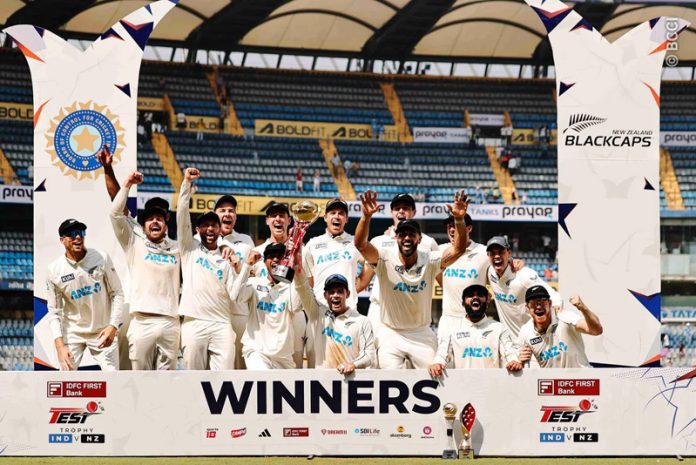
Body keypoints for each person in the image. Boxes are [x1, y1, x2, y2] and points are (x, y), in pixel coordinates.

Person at [354, 189, 469, 369]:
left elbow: (456, 251)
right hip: (386, 320)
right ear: (396, 237)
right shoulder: (382, 253)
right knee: (379, 371)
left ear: (419, 237)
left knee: (439, 373)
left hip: (420, 330)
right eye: (403, 235)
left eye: (406, 208)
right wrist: (365, 217)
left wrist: (460, 220)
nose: (407, 238)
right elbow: (361, 246)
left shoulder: (429, 253)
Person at [110, 171, 180, 370]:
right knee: (139, 381)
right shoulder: (135, 240)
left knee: (167, 384)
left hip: (170, 321)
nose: (155, 221)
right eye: (150, 218)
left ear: (167, 224)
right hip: (140, 319)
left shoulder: (177, 248)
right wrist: (127, 183)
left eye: (161, 217)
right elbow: (116, 212)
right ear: (143, 223)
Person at [177, 168, 241, 370]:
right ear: (197, 230)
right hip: (194, 322)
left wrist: (242, 266)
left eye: (214, 225)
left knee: (223, 380)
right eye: (205, 225)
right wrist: (186, 183)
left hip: (222, 323)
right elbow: (181, 214)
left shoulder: (227, 256)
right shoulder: (189, 248)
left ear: (220, 228)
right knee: (192, 380)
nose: (210, 229)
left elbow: (234, 293)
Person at [362, 193, 440, 352]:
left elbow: (441, 278)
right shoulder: (378, 241)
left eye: (406, 208)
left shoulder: (428, 242)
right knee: (375, 357)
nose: (401, 212)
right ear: (391, 213)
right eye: (397, 208)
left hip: (414, 312)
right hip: (380, 309)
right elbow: (364, 280)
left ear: (414, 212)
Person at [46, 219, 124, 371]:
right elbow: (54, 312)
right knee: (65, 381)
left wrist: (113, 326)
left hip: (102, 330)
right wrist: (60, 346)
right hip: (73, 333)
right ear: (62, 240)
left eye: (81, 233)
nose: (78, 237)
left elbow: (117, 294)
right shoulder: (54, 270)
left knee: (113, 380)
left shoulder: (101, 258)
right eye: (72, 234)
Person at [252, 202, 307, 368]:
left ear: (289, 220)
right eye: (273, 216)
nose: (278, 219)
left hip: (294, 314)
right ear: (267, 221)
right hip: (266, 318)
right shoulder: (257, 252)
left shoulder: (301, 249)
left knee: (294, 367)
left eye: (282, 216)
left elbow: (308, 284)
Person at [232, 243, 303, 369]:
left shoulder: (290, 287)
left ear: (286, 262)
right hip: (256, 352)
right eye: (271, 256)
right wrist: (247, 265)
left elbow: (296, 307)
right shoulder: (255, 283)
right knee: (265, 385)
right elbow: (234, 297)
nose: (275, 259)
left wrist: (296, 268)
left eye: (280, 257)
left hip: (283, 357)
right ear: (265, 262)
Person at [429, 284, 522, 375]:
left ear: (487, 302)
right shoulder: (453, 328)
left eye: (480, 295)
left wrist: (513, 361)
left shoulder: (499, 328)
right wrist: (437, 363)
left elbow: (509, 351)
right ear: (463, 303)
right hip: (462, 385)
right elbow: (443, 352)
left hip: (491, 385)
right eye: (470, 295)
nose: (475, 297)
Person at [295, 273, 375, 373]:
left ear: (348, 294)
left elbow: (369, 355)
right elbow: (303, 288)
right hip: (319, 382)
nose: (335, 295)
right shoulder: (316, 313)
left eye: (340, 291)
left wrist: (353, 364)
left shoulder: (361, 321)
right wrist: (298, 270)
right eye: (331, 292)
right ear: (325, 295)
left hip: (348, 381)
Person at [486, 236, 560, 339]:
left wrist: (557, 308)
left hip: (534, 340)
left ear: (509, 253)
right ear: (488, 256)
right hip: (510, 343)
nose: (497, 256)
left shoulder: (524, 275)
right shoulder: (490, 272)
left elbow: (553, 294)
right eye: (492, 253)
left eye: (501, 252)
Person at [303, 198, 371, 310]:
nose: (337, 216)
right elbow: (309, 282)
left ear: (346, 219)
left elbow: (371, 264)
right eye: (332, 213)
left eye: (341, 213)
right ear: (325, 218)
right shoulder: (312, 244)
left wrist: (356, 287)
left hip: (349, 310)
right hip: (320, 311)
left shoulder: (356, 243)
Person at [518, 288, 602, 368]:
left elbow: (597, 330)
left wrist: (583, 308)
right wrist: (520, 362)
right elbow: (524, 364)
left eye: (543, 301)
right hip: (553, 381)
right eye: (533, 302)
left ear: (550, 303)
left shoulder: (564, 316)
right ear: (527, 308)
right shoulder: (525, 331)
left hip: (580, 379)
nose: (539, 306)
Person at [435, 213, 488, 341]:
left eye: (456, 226)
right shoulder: (441, 251)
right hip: (448, 320)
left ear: (469, 228)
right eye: (449, 226)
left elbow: (504, 264)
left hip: (474, 320)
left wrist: (516, 262)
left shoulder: (483, 252)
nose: (452, 229)